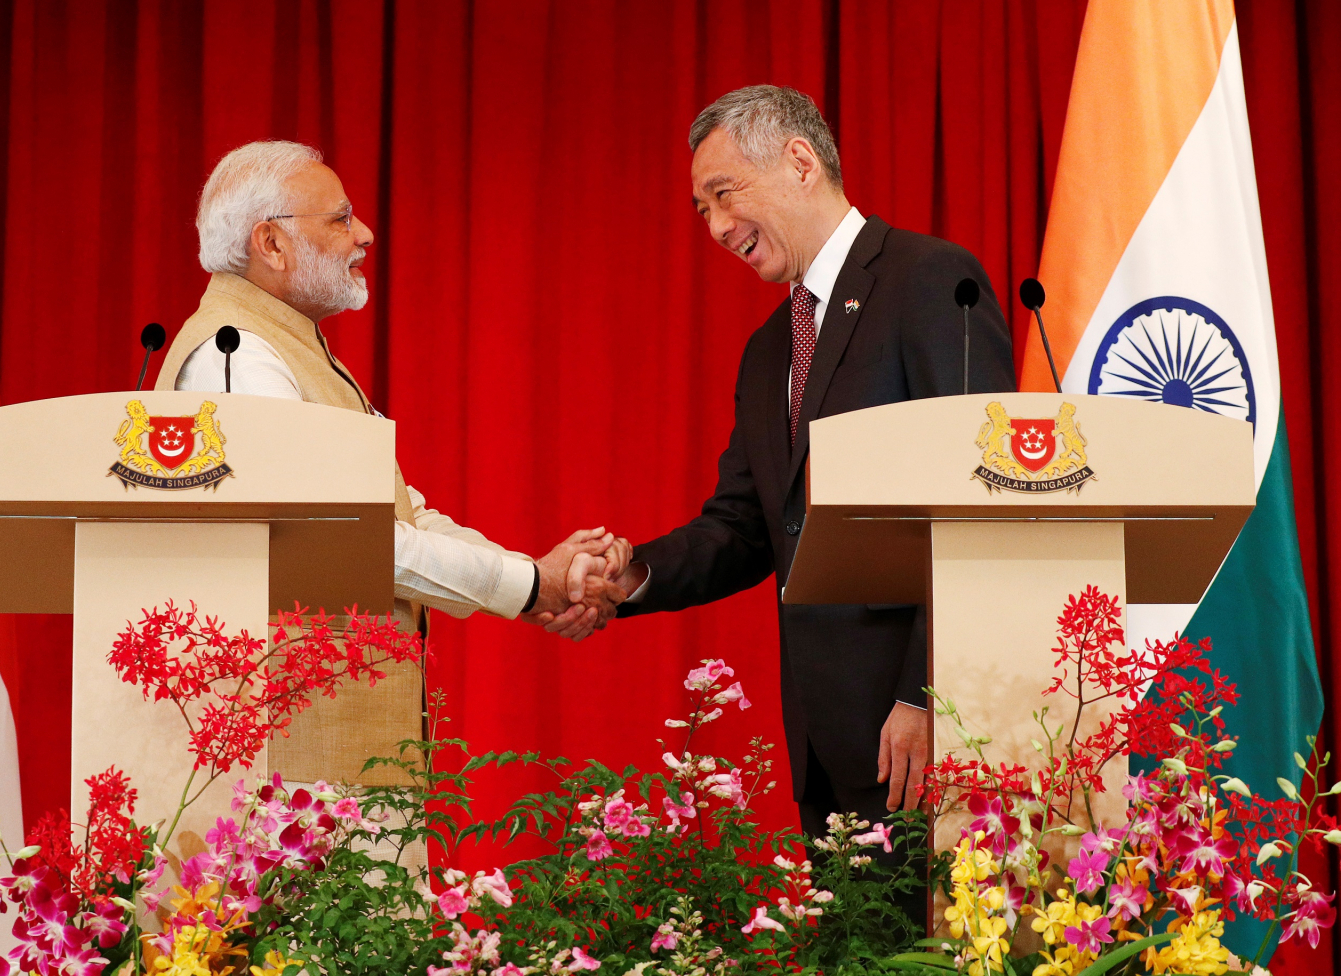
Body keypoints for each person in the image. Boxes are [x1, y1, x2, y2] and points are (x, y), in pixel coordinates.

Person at [604, 85, 1015, 846]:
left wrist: (929, 695)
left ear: (799, 161)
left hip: (926, 733)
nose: (720, 228)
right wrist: (629, 576)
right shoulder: (769, 350)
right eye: (704, 212)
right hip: (827, 748)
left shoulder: (928, 280)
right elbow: (743, 527)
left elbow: (980, 499)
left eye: (725, 195)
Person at [154, 140, 622, 634]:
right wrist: (532, 585)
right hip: (273, 703)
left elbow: (401, 512)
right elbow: (345, 535)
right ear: (271, 244)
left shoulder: (283, 339)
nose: (365, 234)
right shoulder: (237, 354)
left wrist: (535, 579)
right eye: (340, 219)